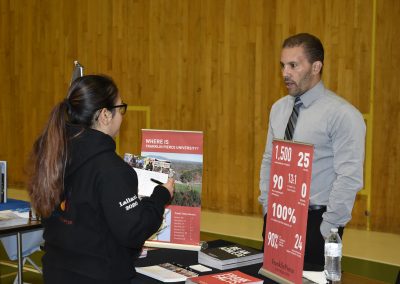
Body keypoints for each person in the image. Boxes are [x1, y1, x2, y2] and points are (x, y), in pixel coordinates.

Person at [27, 75, 175, 284]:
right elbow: (134, 230)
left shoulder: (54, 154)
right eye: (120, 108)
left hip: (57, 272)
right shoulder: (111, 169)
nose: (122, 117)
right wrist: (159, 197)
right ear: (105, 115)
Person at [258, 33, 365, 270]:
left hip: (317, 221)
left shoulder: (343, 115)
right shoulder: (279, 109)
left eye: (294, 65)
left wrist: (328, 228)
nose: (285, 73)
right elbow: (269, 160)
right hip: (278, 216)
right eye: (283, 65)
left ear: (316, 67)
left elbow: (349, 178)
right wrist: (268, 207)